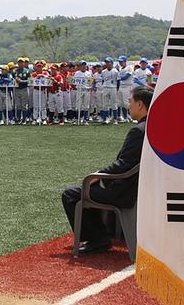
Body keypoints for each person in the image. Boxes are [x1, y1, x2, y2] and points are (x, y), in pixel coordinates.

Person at [61, 86, 152, 254]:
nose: (128, 105)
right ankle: (103, 231)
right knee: (89, 188)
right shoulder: (155, 127)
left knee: (71, 194)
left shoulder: (138, 131)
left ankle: (97, 239)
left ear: (140, 105)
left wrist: (98, 175)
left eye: (130, 101)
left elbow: (124, 164)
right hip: (140, 186)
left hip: (126, 190)